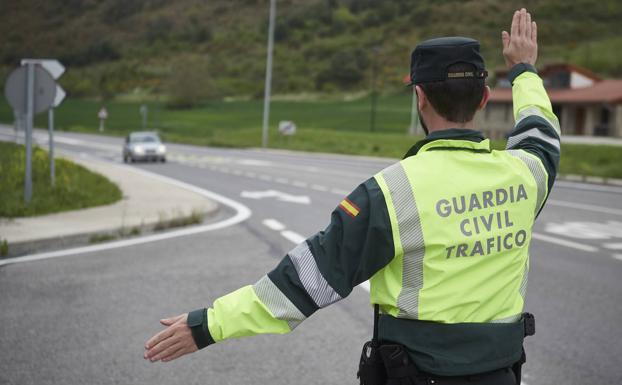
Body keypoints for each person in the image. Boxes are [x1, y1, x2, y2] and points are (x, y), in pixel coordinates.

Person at [144, 8, 560, 385]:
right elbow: (541, 132)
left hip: (416, 376)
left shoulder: (390, 192)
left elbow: (304, 281)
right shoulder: (526, 174)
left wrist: (208, 325)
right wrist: (523, 70)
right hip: (502, 375)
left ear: (419, 97)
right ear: (485, 98)